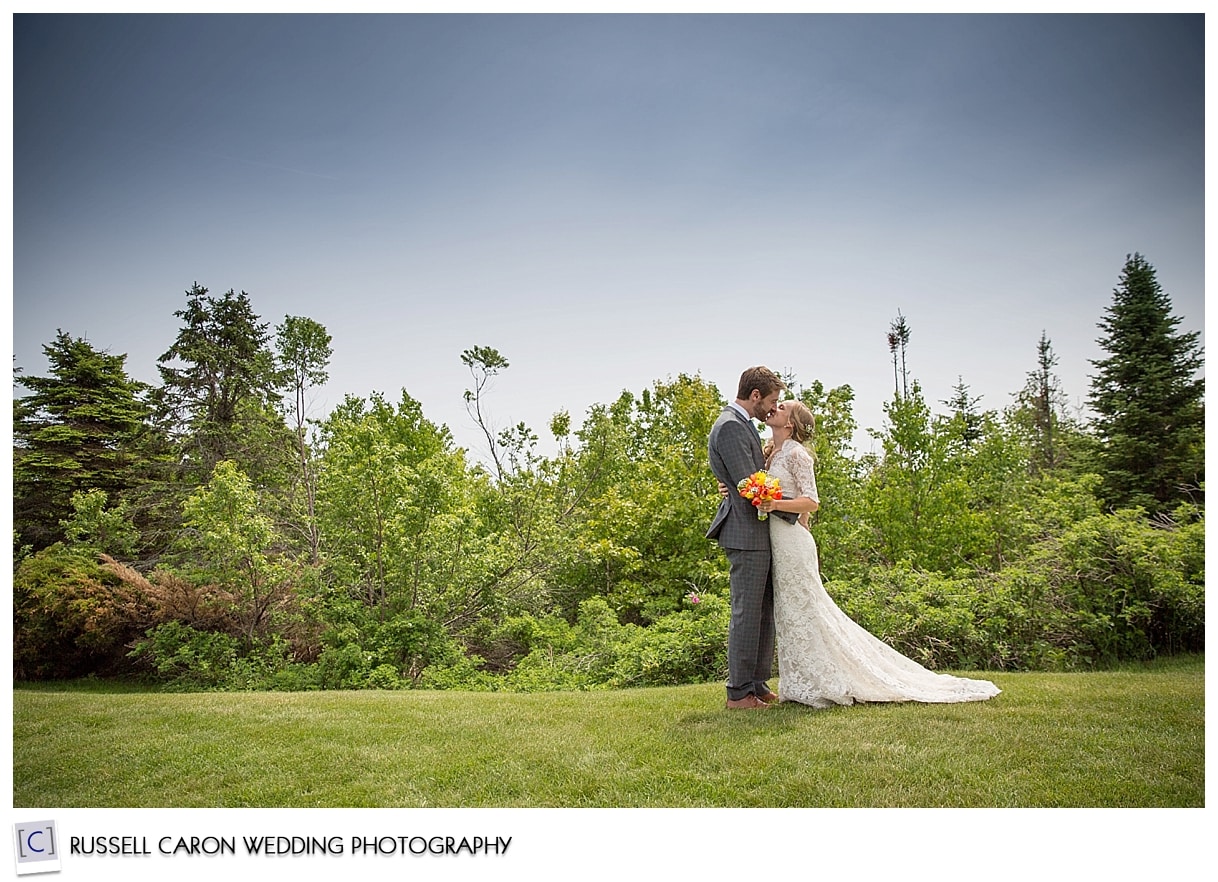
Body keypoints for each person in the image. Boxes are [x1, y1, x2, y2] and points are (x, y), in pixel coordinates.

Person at [753, 398, 1000, 707]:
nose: (774, 408)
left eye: (782, 407)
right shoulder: (771, 452)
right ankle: (800, 682)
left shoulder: (798, 454)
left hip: (793, 542)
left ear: (790, 423)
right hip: (779, 541)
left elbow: (811, 502)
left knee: (806, 609)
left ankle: (823, 682)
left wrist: (775, 505)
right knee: (790, 612)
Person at [706, 366, 799, 710]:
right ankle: (739, 692)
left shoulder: (741, 424)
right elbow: (749, 484)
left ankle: (757, 683)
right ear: (755, 396)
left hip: (758, 529)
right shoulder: (730, 425)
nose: (772, 409)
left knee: (763, 609)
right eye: (771, 401)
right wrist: (795, 514)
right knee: (747, 611)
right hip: (745, 532)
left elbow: (744, 478)